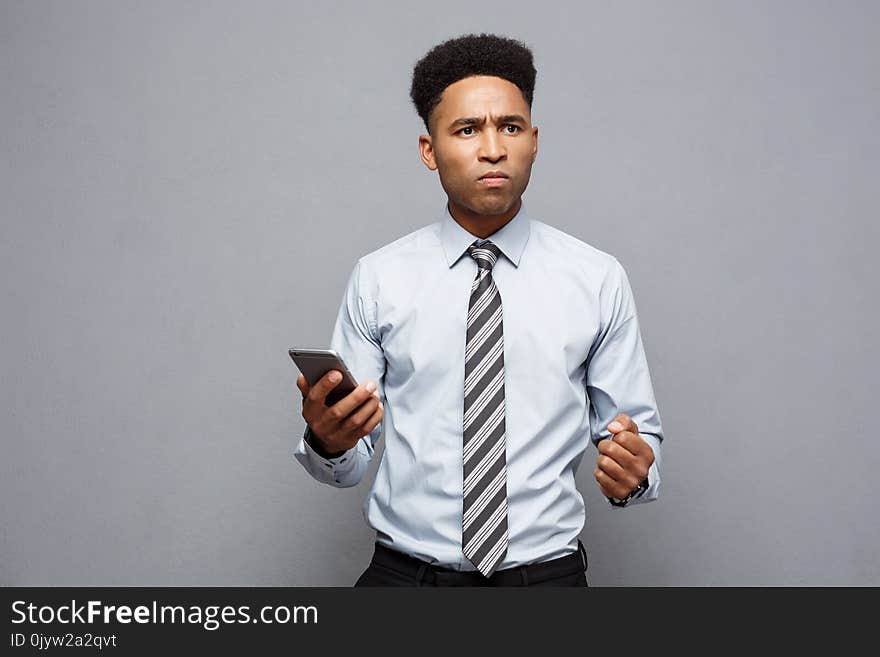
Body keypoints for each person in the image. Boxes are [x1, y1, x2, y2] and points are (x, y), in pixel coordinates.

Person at [293, 33, 665, 587]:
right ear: (429, 149)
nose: (493, 148)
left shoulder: (596, 278)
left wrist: (634, 472)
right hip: (406, 581)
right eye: (467, 130)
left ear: (534, 142)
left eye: (510, 127)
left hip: (546, 583)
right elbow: (346, 465)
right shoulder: (380, 279)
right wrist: (330, 439)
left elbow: (636, 437)